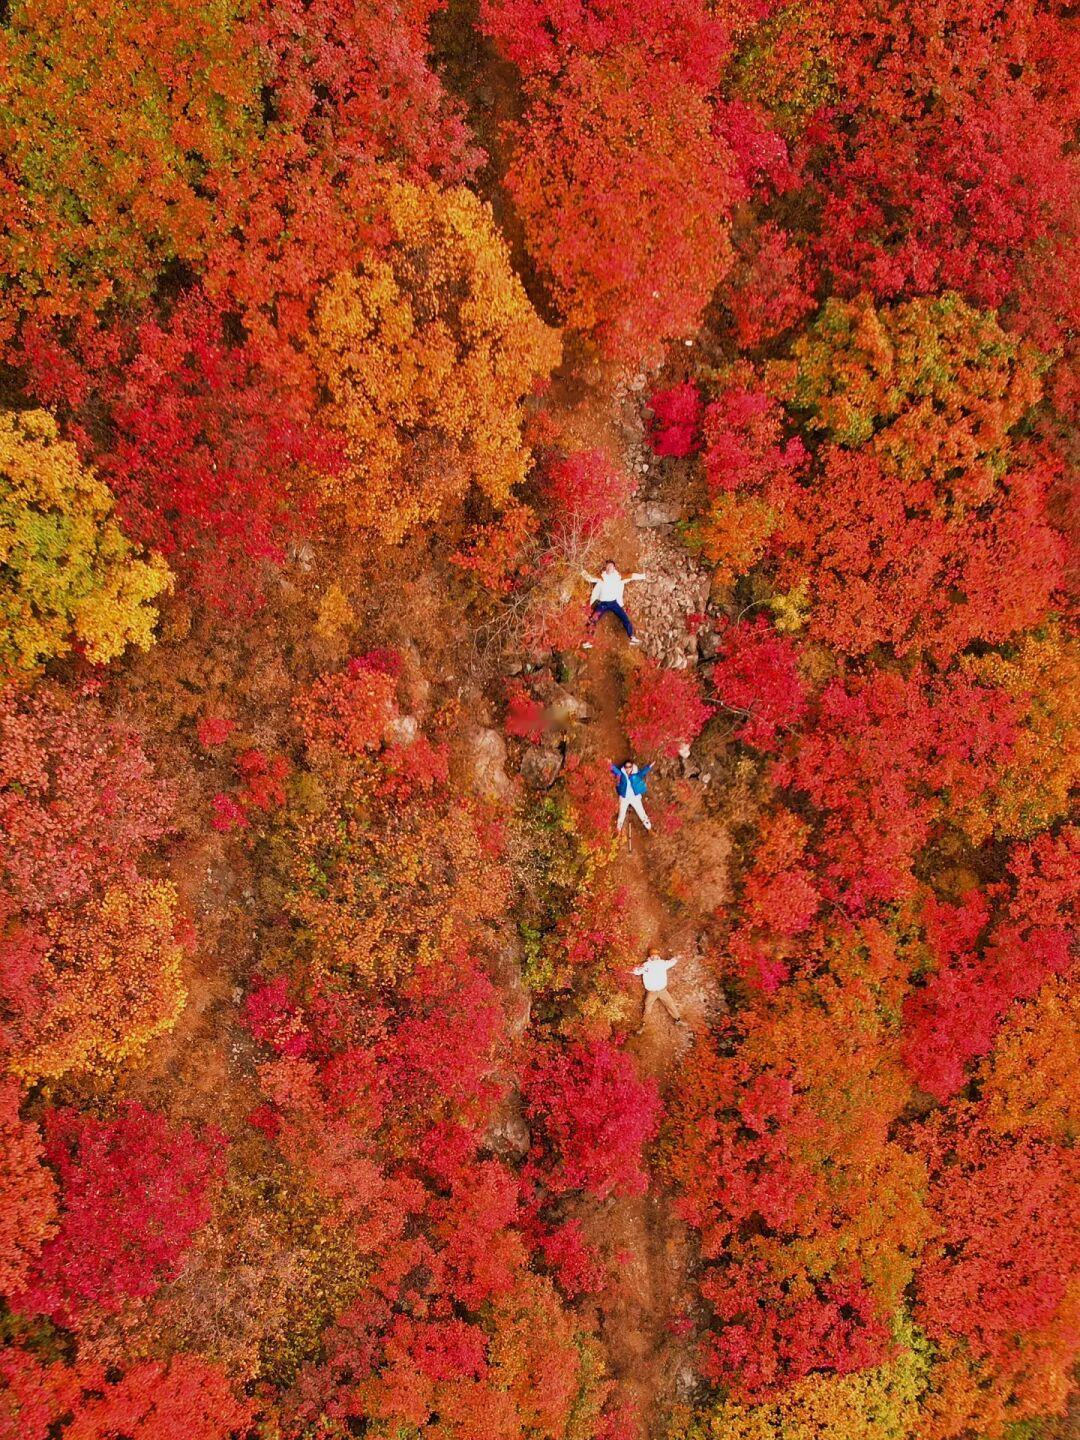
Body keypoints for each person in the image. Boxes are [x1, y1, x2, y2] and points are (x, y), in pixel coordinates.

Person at [581, 560, 646, 647]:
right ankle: (589, 641)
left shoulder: (618, 577)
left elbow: (631, 576)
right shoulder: (601, 577)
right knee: (593, 620)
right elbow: (589, 577)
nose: (609, 568)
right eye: (607, 566)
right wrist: (580, 570)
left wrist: (643, 576)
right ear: (605, 567)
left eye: (610, 566)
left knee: (625, 618)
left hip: (614, 603)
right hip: (602, 604)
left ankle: (632, 637)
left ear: (614, 568)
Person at [631, 952, 685, 1031]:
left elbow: (671, 962)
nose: (654, 956)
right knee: (648, 1008)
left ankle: (678, 1020)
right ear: (650, 956)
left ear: (658, 956)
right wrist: (628, 969)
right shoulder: (646, 965)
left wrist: (677, 957)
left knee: (670, 1003)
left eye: (655, 954)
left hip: (662, 990)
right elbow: (637, 971)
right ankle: (644, 1025)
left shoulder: (662, 963)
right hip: (651, 992)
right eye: (652, 955)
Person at [611, 760, 652, 833]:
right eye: (626, 767)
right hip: (624, 797)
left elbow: (642, 772)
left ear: (632, 767)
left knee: (641, 812)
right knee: (621, 814)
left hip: (634, 797)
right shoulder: (622, 775)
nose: (628, 768)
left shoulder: (636, 774)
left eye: (630, 767)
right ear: (624, 768)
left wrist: (649, 767)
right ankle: (618, 830)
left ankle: (649, 828)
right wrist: (609, 764)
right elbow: (616, 771)